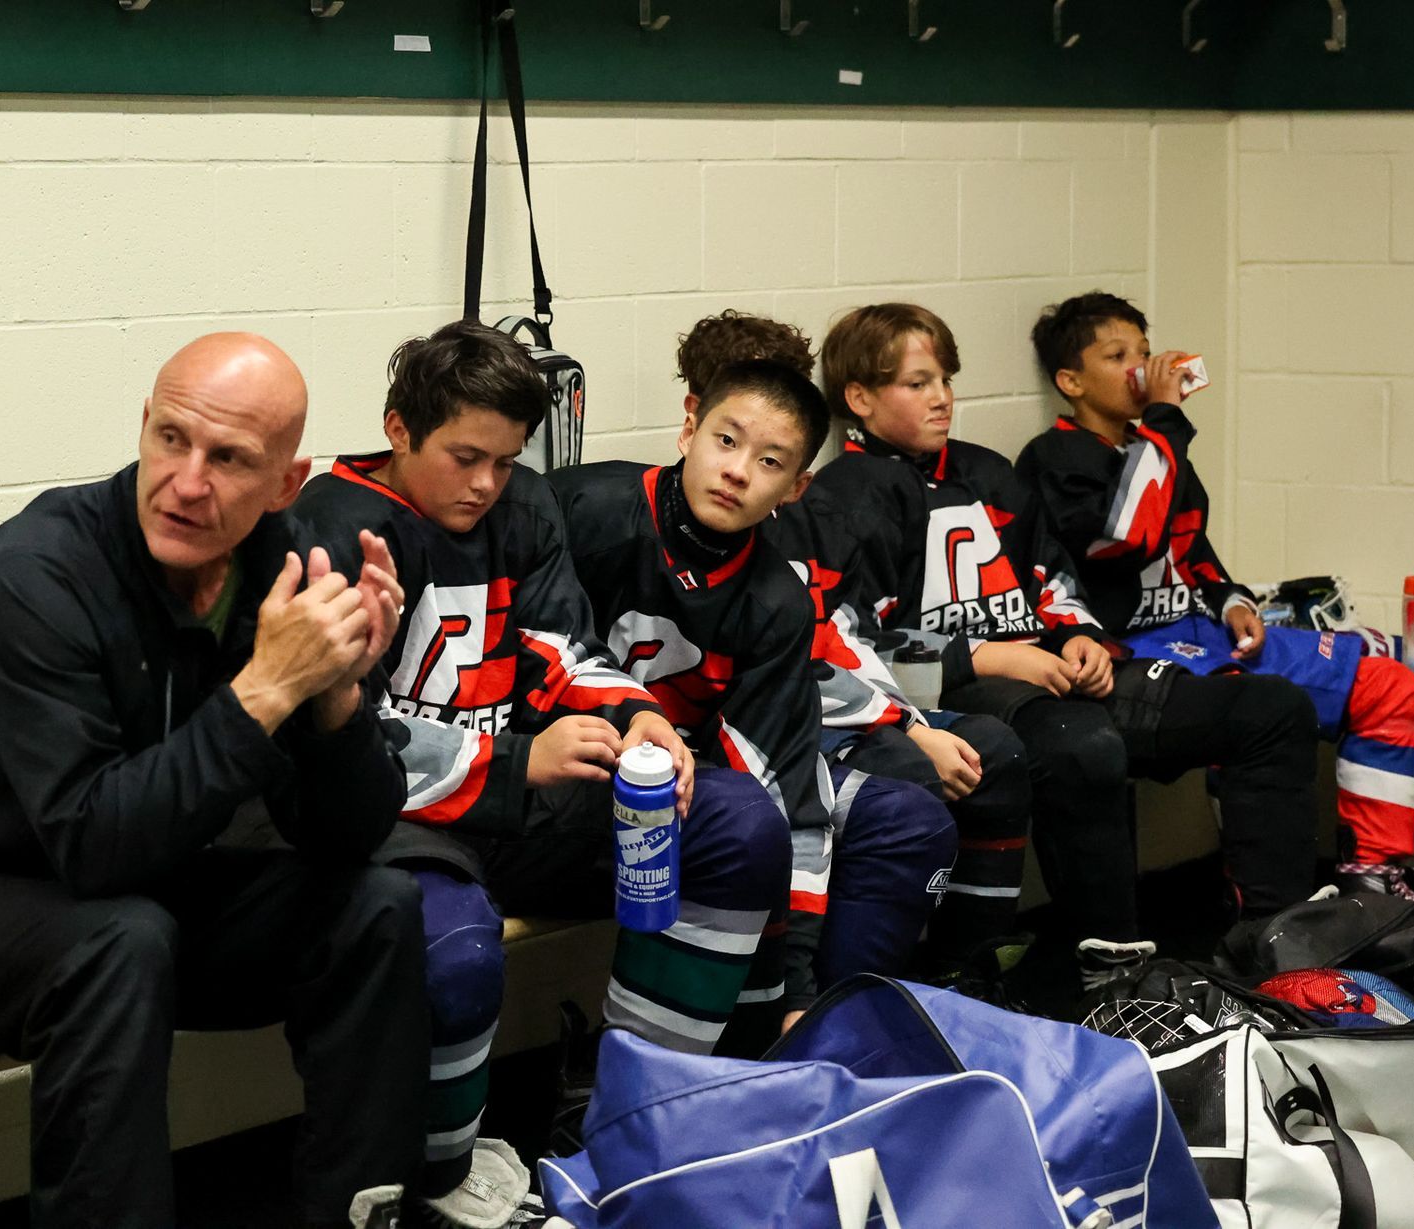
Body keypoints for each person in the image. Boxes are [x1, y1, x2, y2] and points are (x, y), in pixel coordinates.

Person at [0, 334, 428, 1229]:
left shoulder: (283, 561)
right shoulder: (36, 575)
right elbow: (93, 841)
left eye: (229, 460)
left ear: (285, 484)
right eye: (173, 439)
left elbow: (346, 833)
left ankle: (361, 1218)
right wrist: (267, 689)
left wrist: (336, 699)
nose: (188, 481)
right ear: (144, 425)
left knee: (376, 906)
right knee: (122, 939)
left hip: (136, 890)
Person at [294, 321, 790, 1225]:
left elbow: (564, 647)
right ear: (399, 429)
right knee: (454, 952)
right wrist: (524, 759)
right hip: (395, 818)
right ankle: (438, 1181)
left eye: (507, 458)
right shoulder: (332, 523)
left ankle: (632, 1113)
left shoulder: (519, 503)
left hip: (511, 794)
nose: (487, 482)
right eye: (465, 456)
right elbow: (341, 737)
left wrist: (631, 709)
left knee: (736, 826)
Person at [789, 302, 1322, 998]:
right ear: (859, 399)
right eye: (917, 383)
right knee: (1084, 744)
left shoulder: (990, 472)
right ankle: (1116, 973)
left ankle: (1276, 948)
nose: (943, 396)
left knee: (1271, 707)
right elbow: (849, 638)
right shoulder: (845, 495)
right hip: (966, 690)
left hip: (1057, 669)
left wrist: (1080, 634)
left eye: (945, 377)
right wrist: (986, 658)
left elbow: (1053, 577)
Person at [550, 359, 957, 1040]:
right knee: (740, 821)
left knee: (907, 820)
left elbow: (783, 785)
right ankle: (643, 1069)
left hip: (694, 788)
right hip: (566, 774)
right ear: (688, 428)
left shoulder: (775, 599)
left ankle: (818, 1043)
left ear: (795, 488)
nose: (738, 470)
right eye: (727, 440)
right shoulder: (584, 508)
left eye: (769, 461)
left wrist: (796, 986)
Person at [1020, 291, 1414, 902]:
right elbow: (1125, 536)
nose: (1141, 367)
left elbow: (1192, 552)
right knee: (1253, 709)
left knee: (1391, 683)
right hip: (1130, 651)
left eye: (1146, 352)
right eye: (1118, 355)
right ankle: (1259, 916)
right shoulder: (1055, 458)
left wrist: (1235, 602)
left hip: (1201, 629)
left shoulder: (1156, 447)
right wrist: (1163, 420)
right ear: (1070, 381)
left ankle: (1372, 879)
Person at [678, 313, 1034, 994]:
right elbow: (765, 680)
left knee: (995, 750)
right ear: (695, 417)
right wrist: (900, 729)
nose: (749, 455)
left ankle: (963, 977)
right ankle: (832, 1001)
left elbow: (842, 634)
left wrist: (907, 717)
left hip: (836, 709)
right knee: (905, 789)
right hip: (742, 738)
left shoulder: (804, 513)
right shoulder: (676, 517)